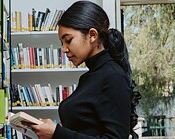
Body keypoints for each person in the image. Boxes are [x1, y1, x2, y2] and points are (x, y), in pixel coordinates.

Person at [24, 1, 141, 139]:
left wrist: (57, 133)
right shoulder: (88, 78)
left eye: (68, 40)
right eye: (62, 43)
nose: (64, 49)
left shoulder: (113, 76)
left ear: (92, 35)